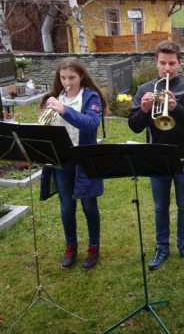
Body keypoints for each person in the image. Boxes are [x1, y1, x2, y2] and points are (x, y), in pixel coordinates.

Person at [128, 40, 184, 270]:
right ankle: (162, 247)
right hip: (156, 158)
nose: (167, 68)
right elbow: (134, 126)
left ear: (179, 63)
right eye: (163, 63)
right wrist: (142, 109)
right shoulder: (145, 90)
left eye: (171, 63)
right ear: (156, 63)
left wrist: (175, 108)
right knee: (160, 206)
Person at [40, 57, 108, 269]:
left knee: (89, 205)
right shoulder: (55, 96)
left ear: (81, 77)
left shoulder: (90, 97)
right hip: (62, 159)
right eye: (63, 77)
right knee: (67, 207)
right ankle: (71, 246)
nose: (67, 82)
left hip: (84, 158)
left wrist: (64, 110)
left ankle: (93, 246)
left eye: (71, 77)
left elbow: (91, 123)